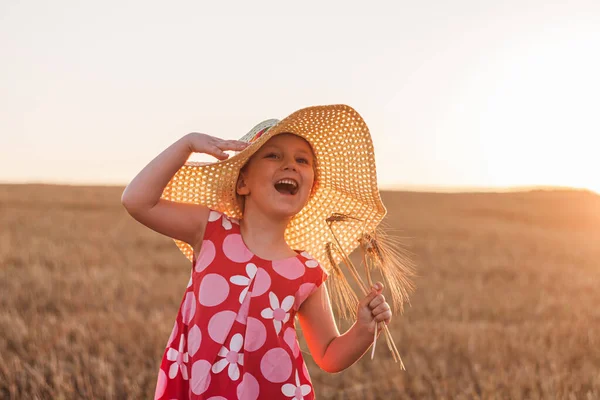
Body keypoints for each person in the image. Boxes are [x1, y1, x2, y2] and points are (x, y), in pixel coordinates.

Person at [121, 104, 412, 399]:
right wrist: (187, 144)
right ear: (243, 182)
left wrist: (363, 329)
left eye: (303, 160)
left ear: (310, 190)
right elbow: (137, 201)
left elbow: (328, 354)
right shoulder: (210, 230)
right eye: (273, 155)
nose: (291, 165)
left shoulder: (307, 270)